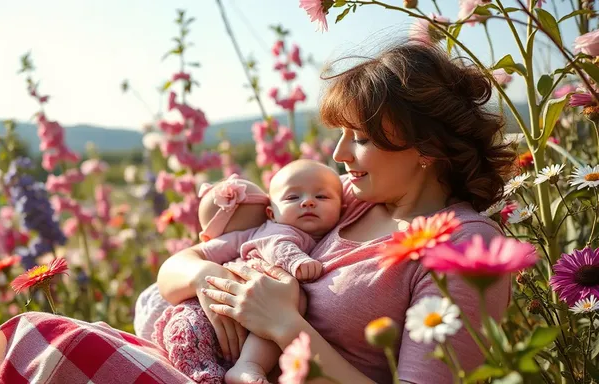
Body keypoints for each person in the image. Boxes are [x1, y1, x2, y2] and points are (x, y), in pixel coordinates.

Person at [156, 42, 516, 383]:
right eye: (342, 135)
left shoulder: (463, 248)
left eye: (360, 138)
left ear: (428, 145)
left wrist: (283, 323)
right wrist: (206, 277)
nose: (340, 154)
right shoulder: (344, 198)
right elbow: (181, 264)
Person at [152, 160, 343, 384]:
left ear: (343, 209)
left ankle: (239, 368)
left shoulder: (327, 239)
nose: (308, 202)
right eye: (293, 198)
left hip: (238, 325)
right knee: (293, 298)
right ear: (271, 213)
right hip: (208, 310)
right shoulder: (270, 231)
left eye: (322, 197)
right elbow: (277, 246)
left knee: (290, 301)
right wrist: (296, 261)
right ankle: (246, 365)